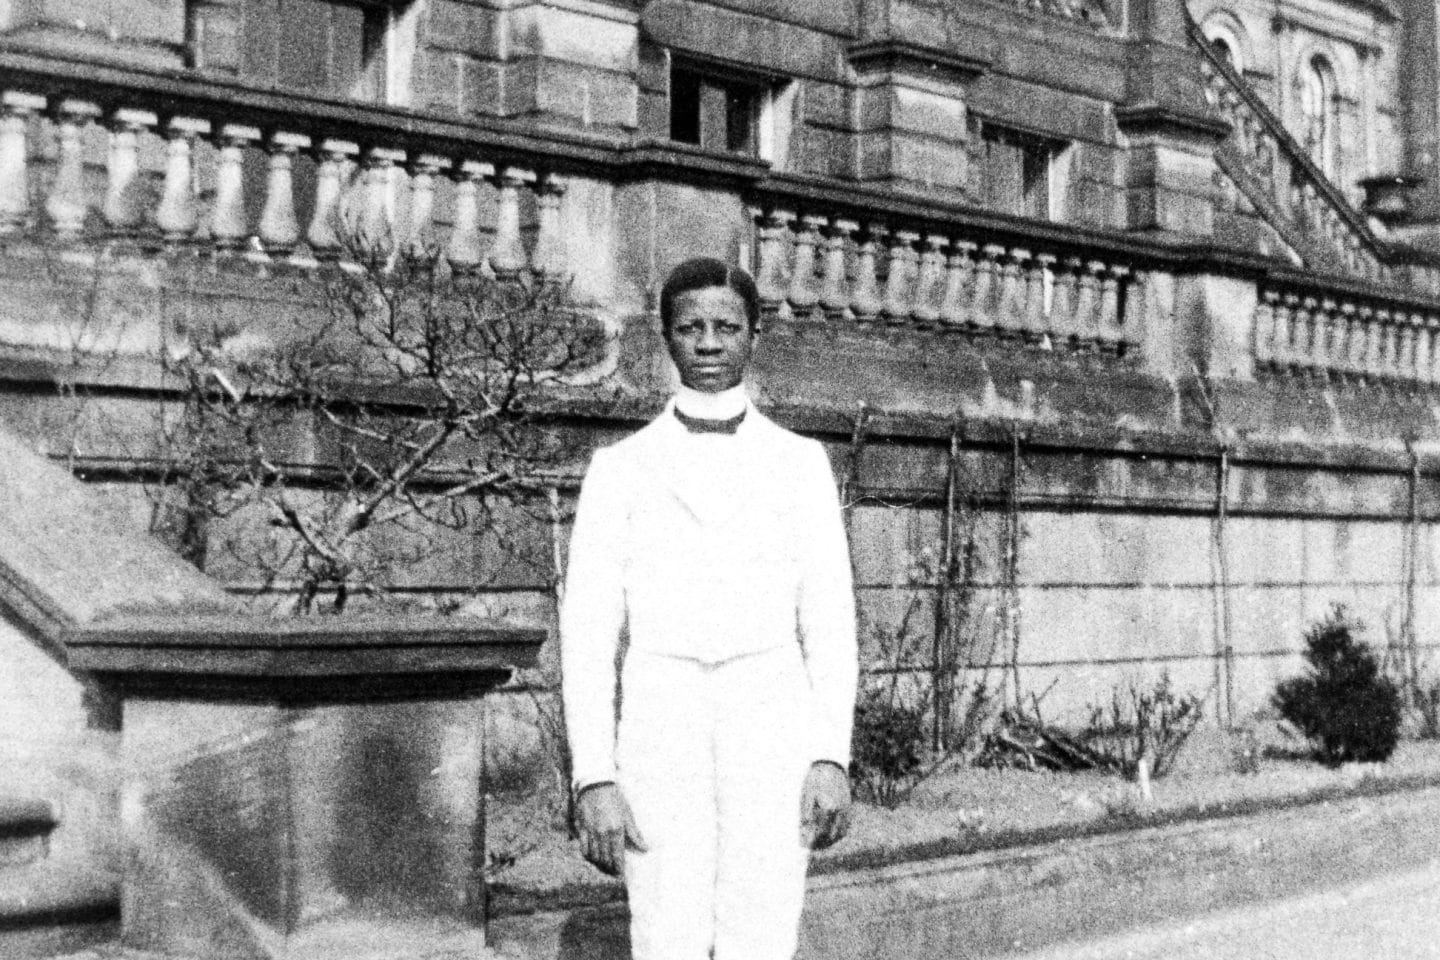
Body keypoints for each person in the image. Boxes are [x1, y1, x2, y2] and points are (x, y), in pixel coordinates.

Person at [560, 257, 858, 960]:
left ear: (754, 336)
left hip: (769, 714)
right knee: (666, 928)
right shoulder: (621, 468)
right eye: (690, 327)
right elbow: (588, 634)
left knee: (763, 925)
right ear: (666, 338)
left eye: (727, 326)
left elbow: (831, 623)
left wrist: (828, 755)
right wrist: (594, 775)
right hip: (662, 717)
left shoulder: (800, 463)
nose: (710, 344)